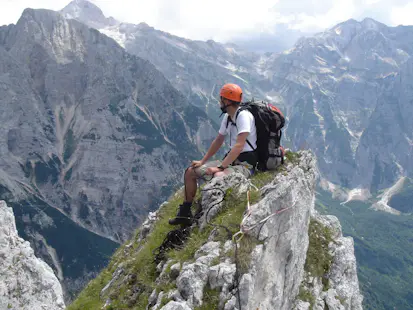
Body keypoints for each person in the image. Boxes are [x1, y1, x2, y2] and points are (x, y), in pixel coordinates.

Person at [169, 83, 258, 226]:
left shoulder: (244, 116)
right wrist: (203, 161)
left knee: (218, 177)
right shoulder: (228, 117)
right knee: (190, 171)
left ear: (227, 101)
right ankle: (185, 214)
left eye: (221, 99)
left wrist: (221, 167)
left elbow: (239, 145)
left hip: (246, 165)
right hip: (231, 162)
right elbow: (218, 140)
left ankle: (207, 219)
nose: (219, 102)